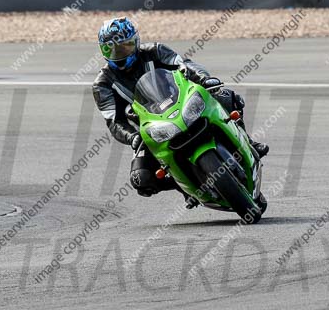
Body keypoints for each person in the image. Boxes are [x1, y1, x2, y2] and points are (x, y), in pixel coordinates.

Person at [91, 16, 269, 207]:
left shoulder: (155, 51)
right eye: (111, 49)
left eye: (124, 46)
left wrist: (203, 78)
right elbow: (114, 122)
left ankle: (248, 142)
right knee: (141, 179)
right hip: (152, 130)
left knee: (225, 95)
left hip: (182, 103)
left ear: (135, 42)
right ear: (102, 50)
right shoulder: (102, 84)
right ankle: (184, 187)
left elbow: (185, 64)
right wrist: (132, 137)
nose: (118, 53)